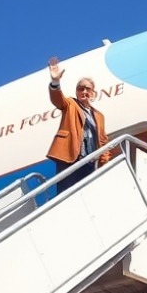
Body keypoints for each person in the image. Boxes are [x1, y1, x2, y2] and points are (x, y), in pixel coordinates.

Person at [45, 56, 110, 194]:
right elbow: (58, 100)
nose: (84, 92)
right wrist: (55, 81)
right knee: (67, 194)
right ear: (77, 92)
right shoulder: (71, 104)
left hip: (89, 161)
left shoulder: (99, 116)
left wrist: (105, 165)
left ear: (93, 93)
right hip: (70, 157)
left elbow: (103, 142)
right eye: (81, 89)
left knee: (86, 194)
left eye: (88, 89)